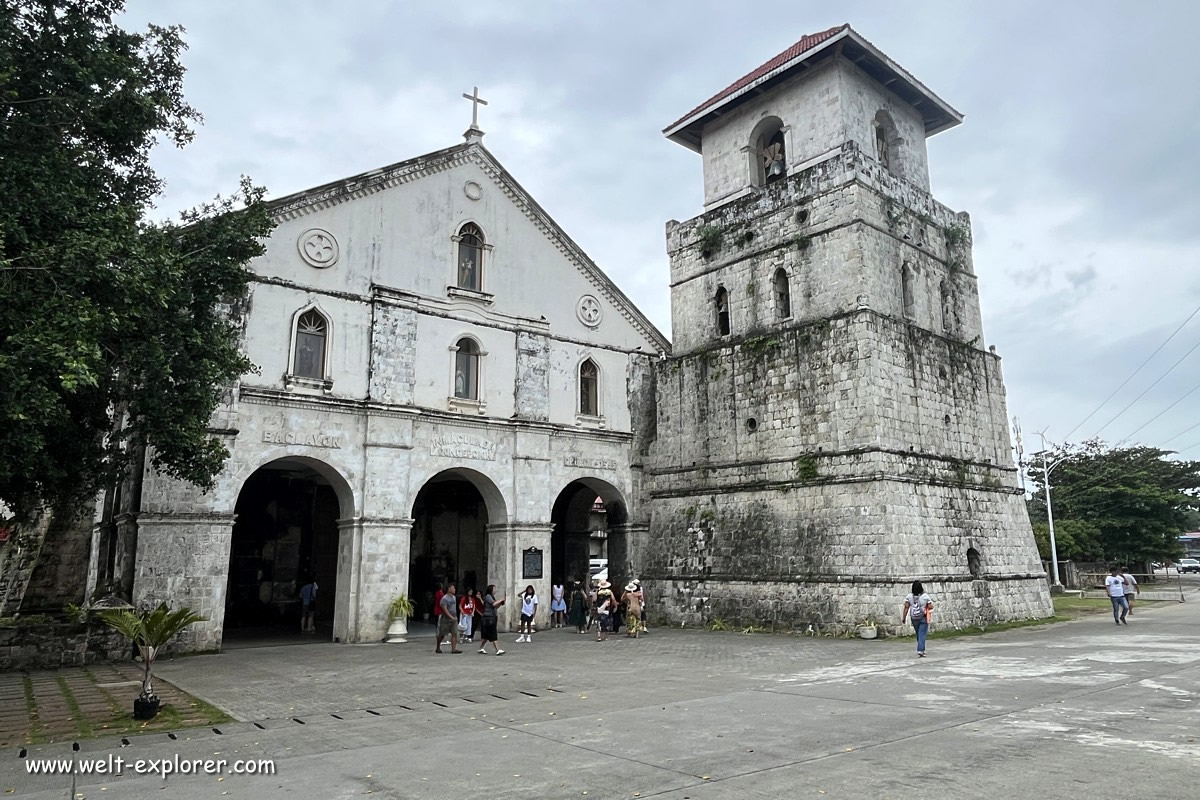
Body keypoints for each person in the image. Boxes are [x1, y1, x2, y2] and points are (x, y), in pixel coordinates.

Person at [901, 581, 933, 657]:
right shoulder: (925, 596)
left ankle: (921, 648)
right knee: (922, 633)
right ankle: (921, 650)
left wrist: (904, 618)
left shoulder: (909, 597)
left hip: (914, 617)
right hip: (923, 617)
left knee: (918, 633)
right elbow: (931, 606)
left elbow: (906, 607)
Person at [435, 583, 463, 654]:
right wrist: (451, 617)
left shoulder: (454, 597)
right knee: (442, 634)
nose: (454, 589)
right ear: (449, 589)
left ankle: (454, 649)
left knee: (454, 633)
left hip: (454, 617)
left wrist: (454, 617)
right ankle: (438, 647)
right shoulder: (444, 598)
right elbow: (445, 610)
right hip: (446, 618)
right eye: (453, 588)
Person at [478, 584, 505, 655]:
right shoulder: (488, 596)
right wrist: (501, 599)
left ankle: (481, 648)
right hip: (488, 618)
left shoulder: (492, 597)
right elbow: (493, 604)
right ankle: (497, 649)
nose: (495, 590)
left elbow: (495, 606)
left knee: (486, 636)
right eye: (494, 589)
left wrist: (501, 603)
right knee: (493, 633)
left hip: (492, 617)